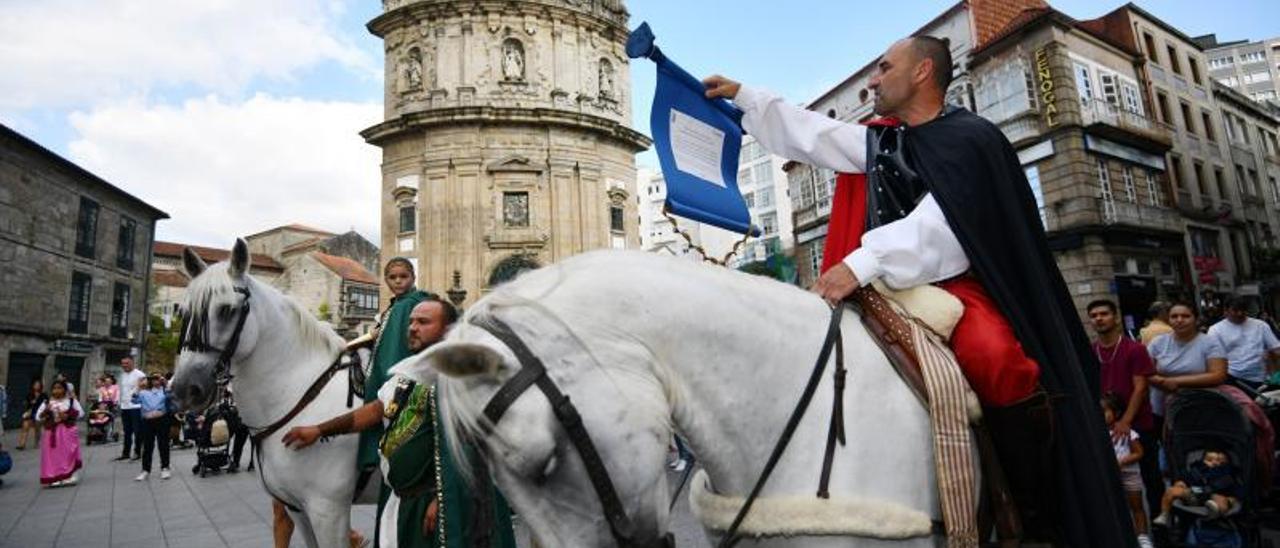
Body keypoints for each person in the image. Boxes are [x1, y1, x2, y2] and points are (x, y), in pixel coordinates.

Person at [702, 35, 1130, 544]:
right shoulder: (885, 140)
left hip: (953, 282)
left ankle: (1033, 517)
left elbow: (942, 226)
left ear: (924, 71)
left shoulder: (972, 138)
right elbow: (815, 134)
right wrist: (746, 95)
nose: (874, 80)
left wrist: (859, 264)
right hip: (879, 283)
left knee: (999, 362)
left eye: (884, 68)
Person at [283, 298, 516, 548]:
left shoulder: (462, 376)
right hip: (401, 502)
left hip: (441, 504)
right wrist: (319, 430)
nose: (413, 327)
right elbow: (376, 410)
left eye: (423, 322)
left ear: (448, 330)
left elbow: (477, 448)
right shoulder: (408, 373)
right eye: (412, 321)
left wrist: (443, 498)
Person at [1088, 299, 1163, 522]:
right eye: (1094, 315)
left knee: (1150, 475)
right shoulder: (1091, 351)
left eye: (1104, 313)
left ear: (1116, 317)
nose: (1099, 318)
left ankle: (1160, 523)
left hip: (1138, 423)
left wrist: (1126, 421)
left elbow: (1141, 388)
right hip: (1107, 426)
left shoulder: (1135, 349)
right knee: (1115, 478)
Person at [1148, 302, 1229, 419]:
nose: (1179, 320)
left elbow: (1218, 375)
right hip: (1161, 407)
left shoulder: (1211, 343)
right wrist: (1162, 382)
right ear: (1168, 319)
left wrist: (1174, 382)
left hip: (1201, 406)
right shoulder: (1157, 343)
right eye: (1174, 316)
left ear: (1196, 319)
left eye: (1186, 316)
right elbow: (1145, 372)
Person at [1103, 393, 1150, 548]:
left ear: (1116, 413)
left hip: (1130, 474)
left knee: (1136, 506)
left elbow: (1139, 452)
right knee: (1113, 505)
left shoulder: (1127, 432)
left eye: (1105, 411)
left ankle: (1143, 537)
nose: (1101, 415)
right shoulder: (1097, 433)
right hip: (1110, 475)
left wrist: (1121, 461)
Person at [1208, 296, 1280, 391]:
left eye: (1243, 310)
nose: (1240, 314)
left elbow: (1276, 349)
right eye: (1235, 310)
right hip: (1233, 379)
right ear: (1225, 311)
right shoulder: (1215, 330)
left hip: (1261, 378)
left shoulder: (1261, 325)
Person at [1153, 449, 1241, 526]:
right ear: (1202, 460)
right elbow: (1185, 479)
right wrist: (1181, 483)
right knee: (1172, 491)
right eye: (1209, 460)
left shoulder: (1227, 475)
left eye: (1220, 461)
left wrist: (1230, 500)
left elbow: (1235, 491)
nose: (1214, 463)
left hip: (1215, 496)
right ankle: (1164, 514)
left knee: (1222, 502)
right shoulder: (1196, 471)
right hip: (1194, 494)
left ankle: (1213, 512)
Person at [36, 380, 83, 487]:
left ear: (65, 389)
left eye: (59, 388)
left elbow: (80, 413)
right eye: (55, 388)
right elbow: (38, 417)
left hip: (67, 431)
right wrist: (46, 412)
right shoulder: (47, 402)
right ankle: (52, 477)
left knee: (67, 453)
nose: (57, 390)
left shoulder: (71, 401)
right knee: (51, 455)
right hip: (51, 432)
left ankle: (68, 476)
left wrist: (67, 416)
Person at [133, 374, 173, 481]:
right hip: (147, 421)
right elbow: (134, 400)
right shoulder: (143, 392)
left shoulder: (164, 391)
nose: (156, 381)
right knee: (147, 446)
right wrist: (138, 386)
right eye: (153, 379)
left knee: (163, 444)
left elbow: (171, 397)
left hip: (162, 420)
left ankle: (165, 468)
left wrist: (167, 384)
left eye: (158, 379)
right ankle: (145, 470)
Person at [115, 356, 146, 461]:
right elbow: (121, 390)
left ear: (132, 363)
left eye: (127, 363)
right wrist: (119, 403)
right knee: (127, 431)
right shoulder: (122, 375)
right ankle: (125, 453)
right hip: (125, 406)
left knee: (138, 431)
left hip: (136, 406)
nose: (124, 365)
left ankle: (137, 452)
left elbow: (143, 389)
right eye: (123, 363)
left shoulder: (140, 374)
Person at [16, 378, 47, 451]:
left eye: (38, 385)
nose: (36, 386)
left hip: (38, 415)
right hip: (30, 414)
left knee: (37, 429)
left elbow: (46, 404)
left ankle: (37, 442)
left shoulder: (43, 395)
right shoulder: (30, 394)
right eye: (35, 385)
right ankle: (22, 444)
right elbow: (26, 403)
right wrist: (28, 404)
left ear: (41, 386)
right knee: (25, 427)